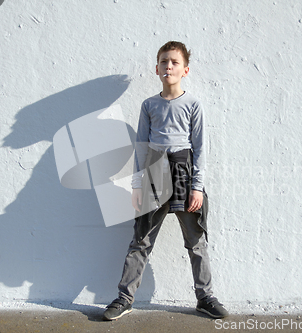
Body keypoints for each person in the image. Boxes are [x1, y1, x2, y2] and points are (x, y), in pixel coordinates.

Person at [103, 41, 228, 321]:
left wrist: (197, 187)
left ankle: (205, 297)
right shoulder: (149, 105)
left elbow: (200, 147)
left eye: (173, 62)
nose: (168, 66)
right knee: (141, 240)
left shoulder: (193, 104)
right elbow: (142, 145)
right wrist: (137, 184)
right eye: (163, 61)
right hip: (153, 172)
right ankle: (124, 298)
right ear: (156, 68)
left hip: (184, 170)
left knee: (196, 241)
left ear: (185, 69)